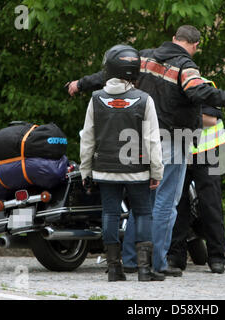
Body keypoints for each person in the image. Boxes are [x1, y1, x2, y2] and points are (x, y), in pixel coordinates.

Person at [70, 25, 225, 276]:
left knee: (141, 204)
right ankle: (156, 263)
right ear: (195, 45)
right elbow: (197, 90)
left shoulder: (142, 57)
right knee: (165, 204)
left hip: (136, 140)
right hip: (171, 139)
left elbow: (108, 75)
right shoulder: (185, 65)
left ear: (173, 39)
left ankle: (132, 259)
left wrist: (80, 84)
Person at [79, 44, 165, 282]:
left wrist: (85, 170)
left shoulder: (96, 99)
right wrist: (156, 170)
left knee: (110, 214)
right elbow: (152, 140)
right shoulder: (144, 100)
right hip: (137, 169)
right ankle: (145, 270)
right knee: (144, 213)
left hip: (104, 169)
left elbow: (87, 138)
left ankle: (114, 269)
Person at [168, 78, 225, 274]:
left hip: (208, 151)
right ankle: (176, 257)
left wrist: (180, 113)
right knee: (178, 204)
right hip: (181, 150)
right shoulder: (170, 86)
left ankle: (217, 257)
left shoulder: (207, 87)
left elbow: (210, 119)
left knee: (210, 204)